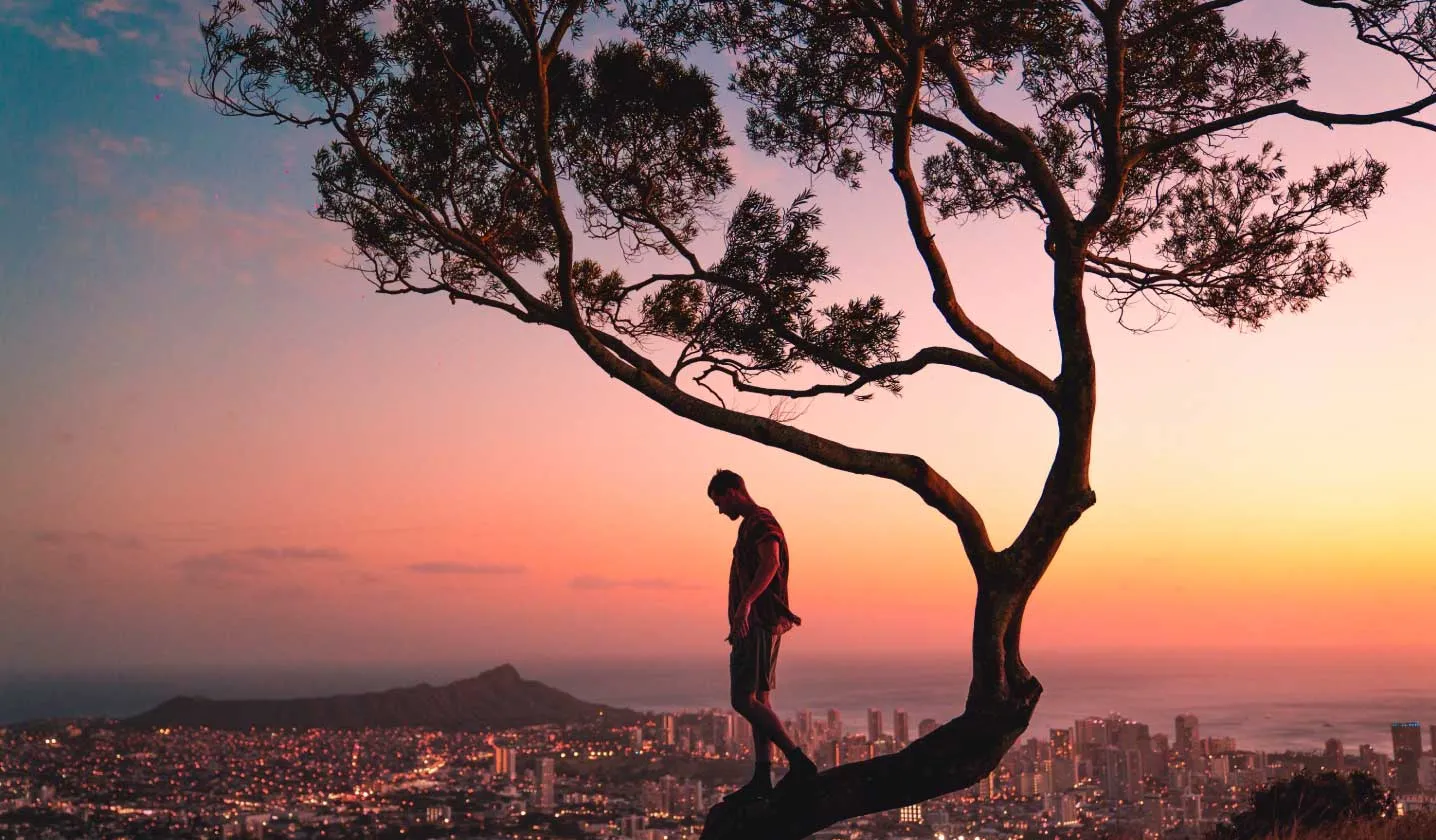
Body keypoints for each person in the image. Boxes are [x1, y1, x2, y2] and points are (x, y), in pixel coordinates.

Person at [707, 469, 818, 802]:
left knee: (742, 700)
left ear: (734, 492)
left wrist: (745, 604)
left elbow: (770, 562)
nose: (720, 510)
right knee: (759, 700)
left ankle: (798, 760)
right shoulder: (751, 523)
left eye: (719, 501)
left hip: (756, 623)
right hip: (759, 623)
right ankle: (762, 776)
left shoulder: (759, 521)